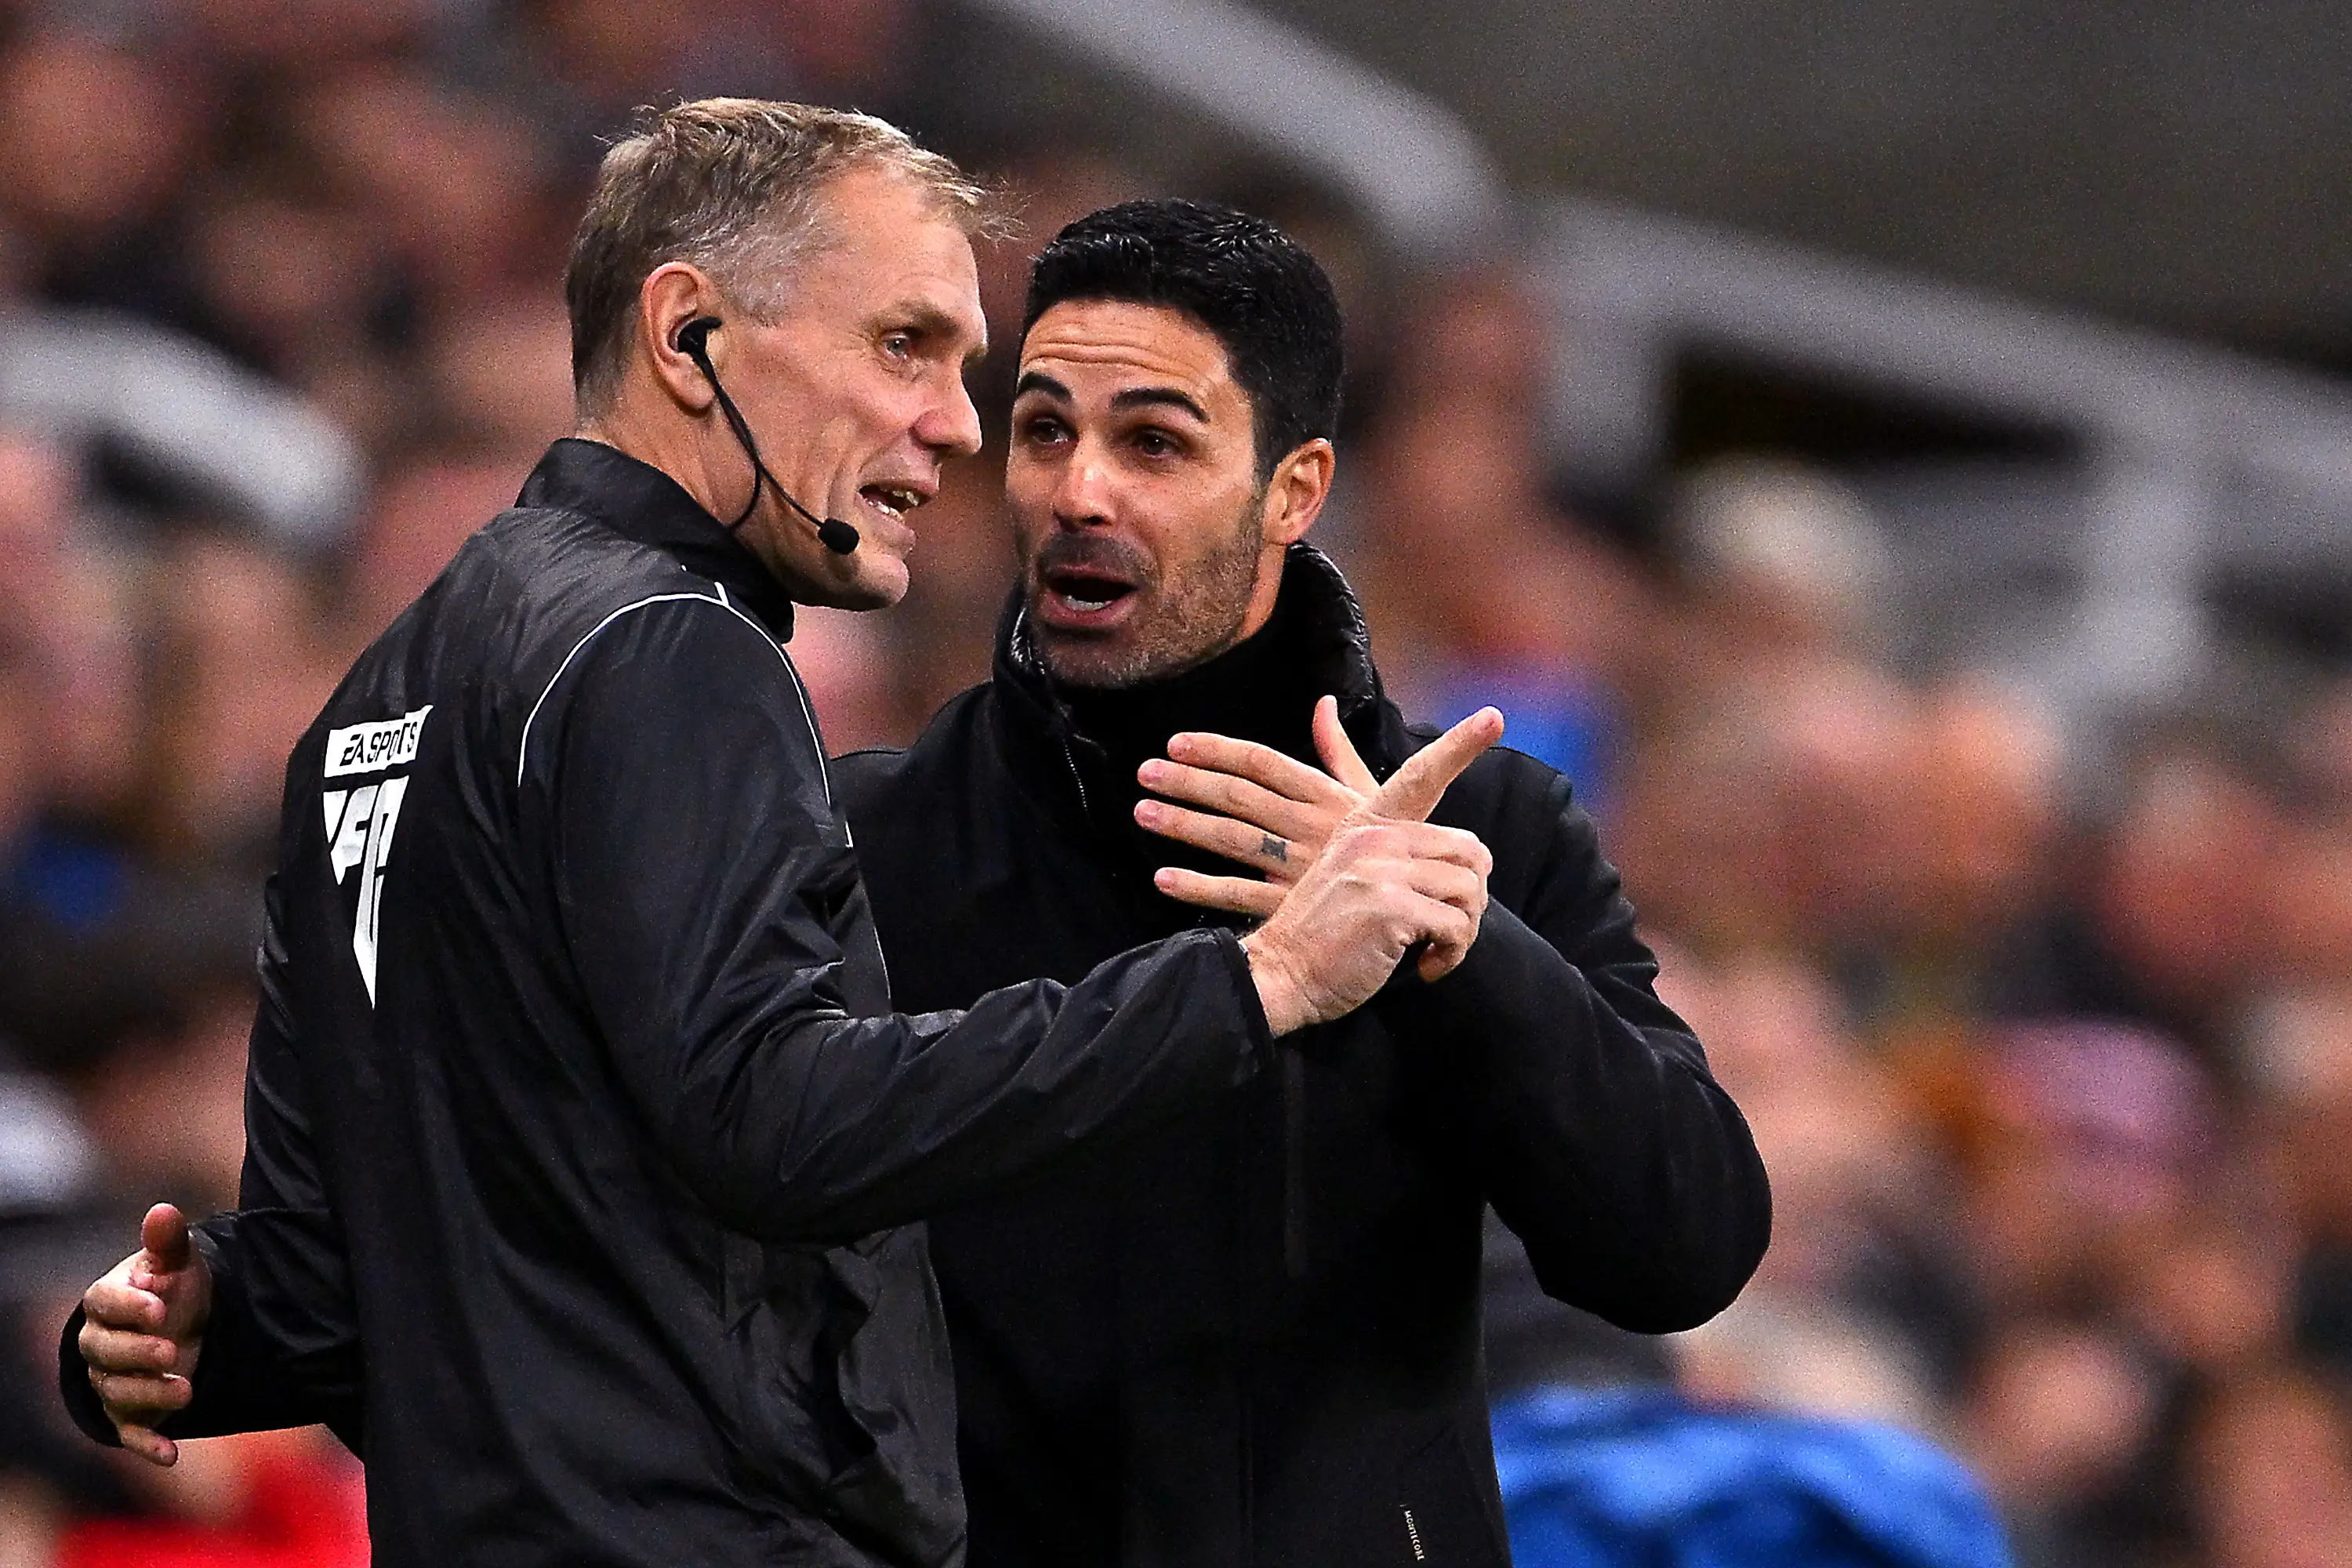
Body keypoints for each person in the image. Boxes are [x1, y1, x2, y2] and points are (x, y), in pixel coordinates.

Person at [57, 107, 1503, 1568]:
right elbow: (776, 1114)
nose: (953, 421)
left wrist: (191, 1331)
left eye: (964, 368)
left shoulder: (379, 701)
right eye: (903, 347)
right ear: (689, 336)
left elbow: (326, 1284)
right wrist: (1257, 983)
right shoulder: (670, 645)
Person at [827, 201, 1772, 1565]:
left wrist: (1464, 955)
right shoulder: (878, 835)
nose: (1080, 491)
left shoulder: (1480, 825)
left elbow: (1683, 1245)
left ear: (1294, 486)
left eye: (1152, 441)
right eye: (1045, 430)